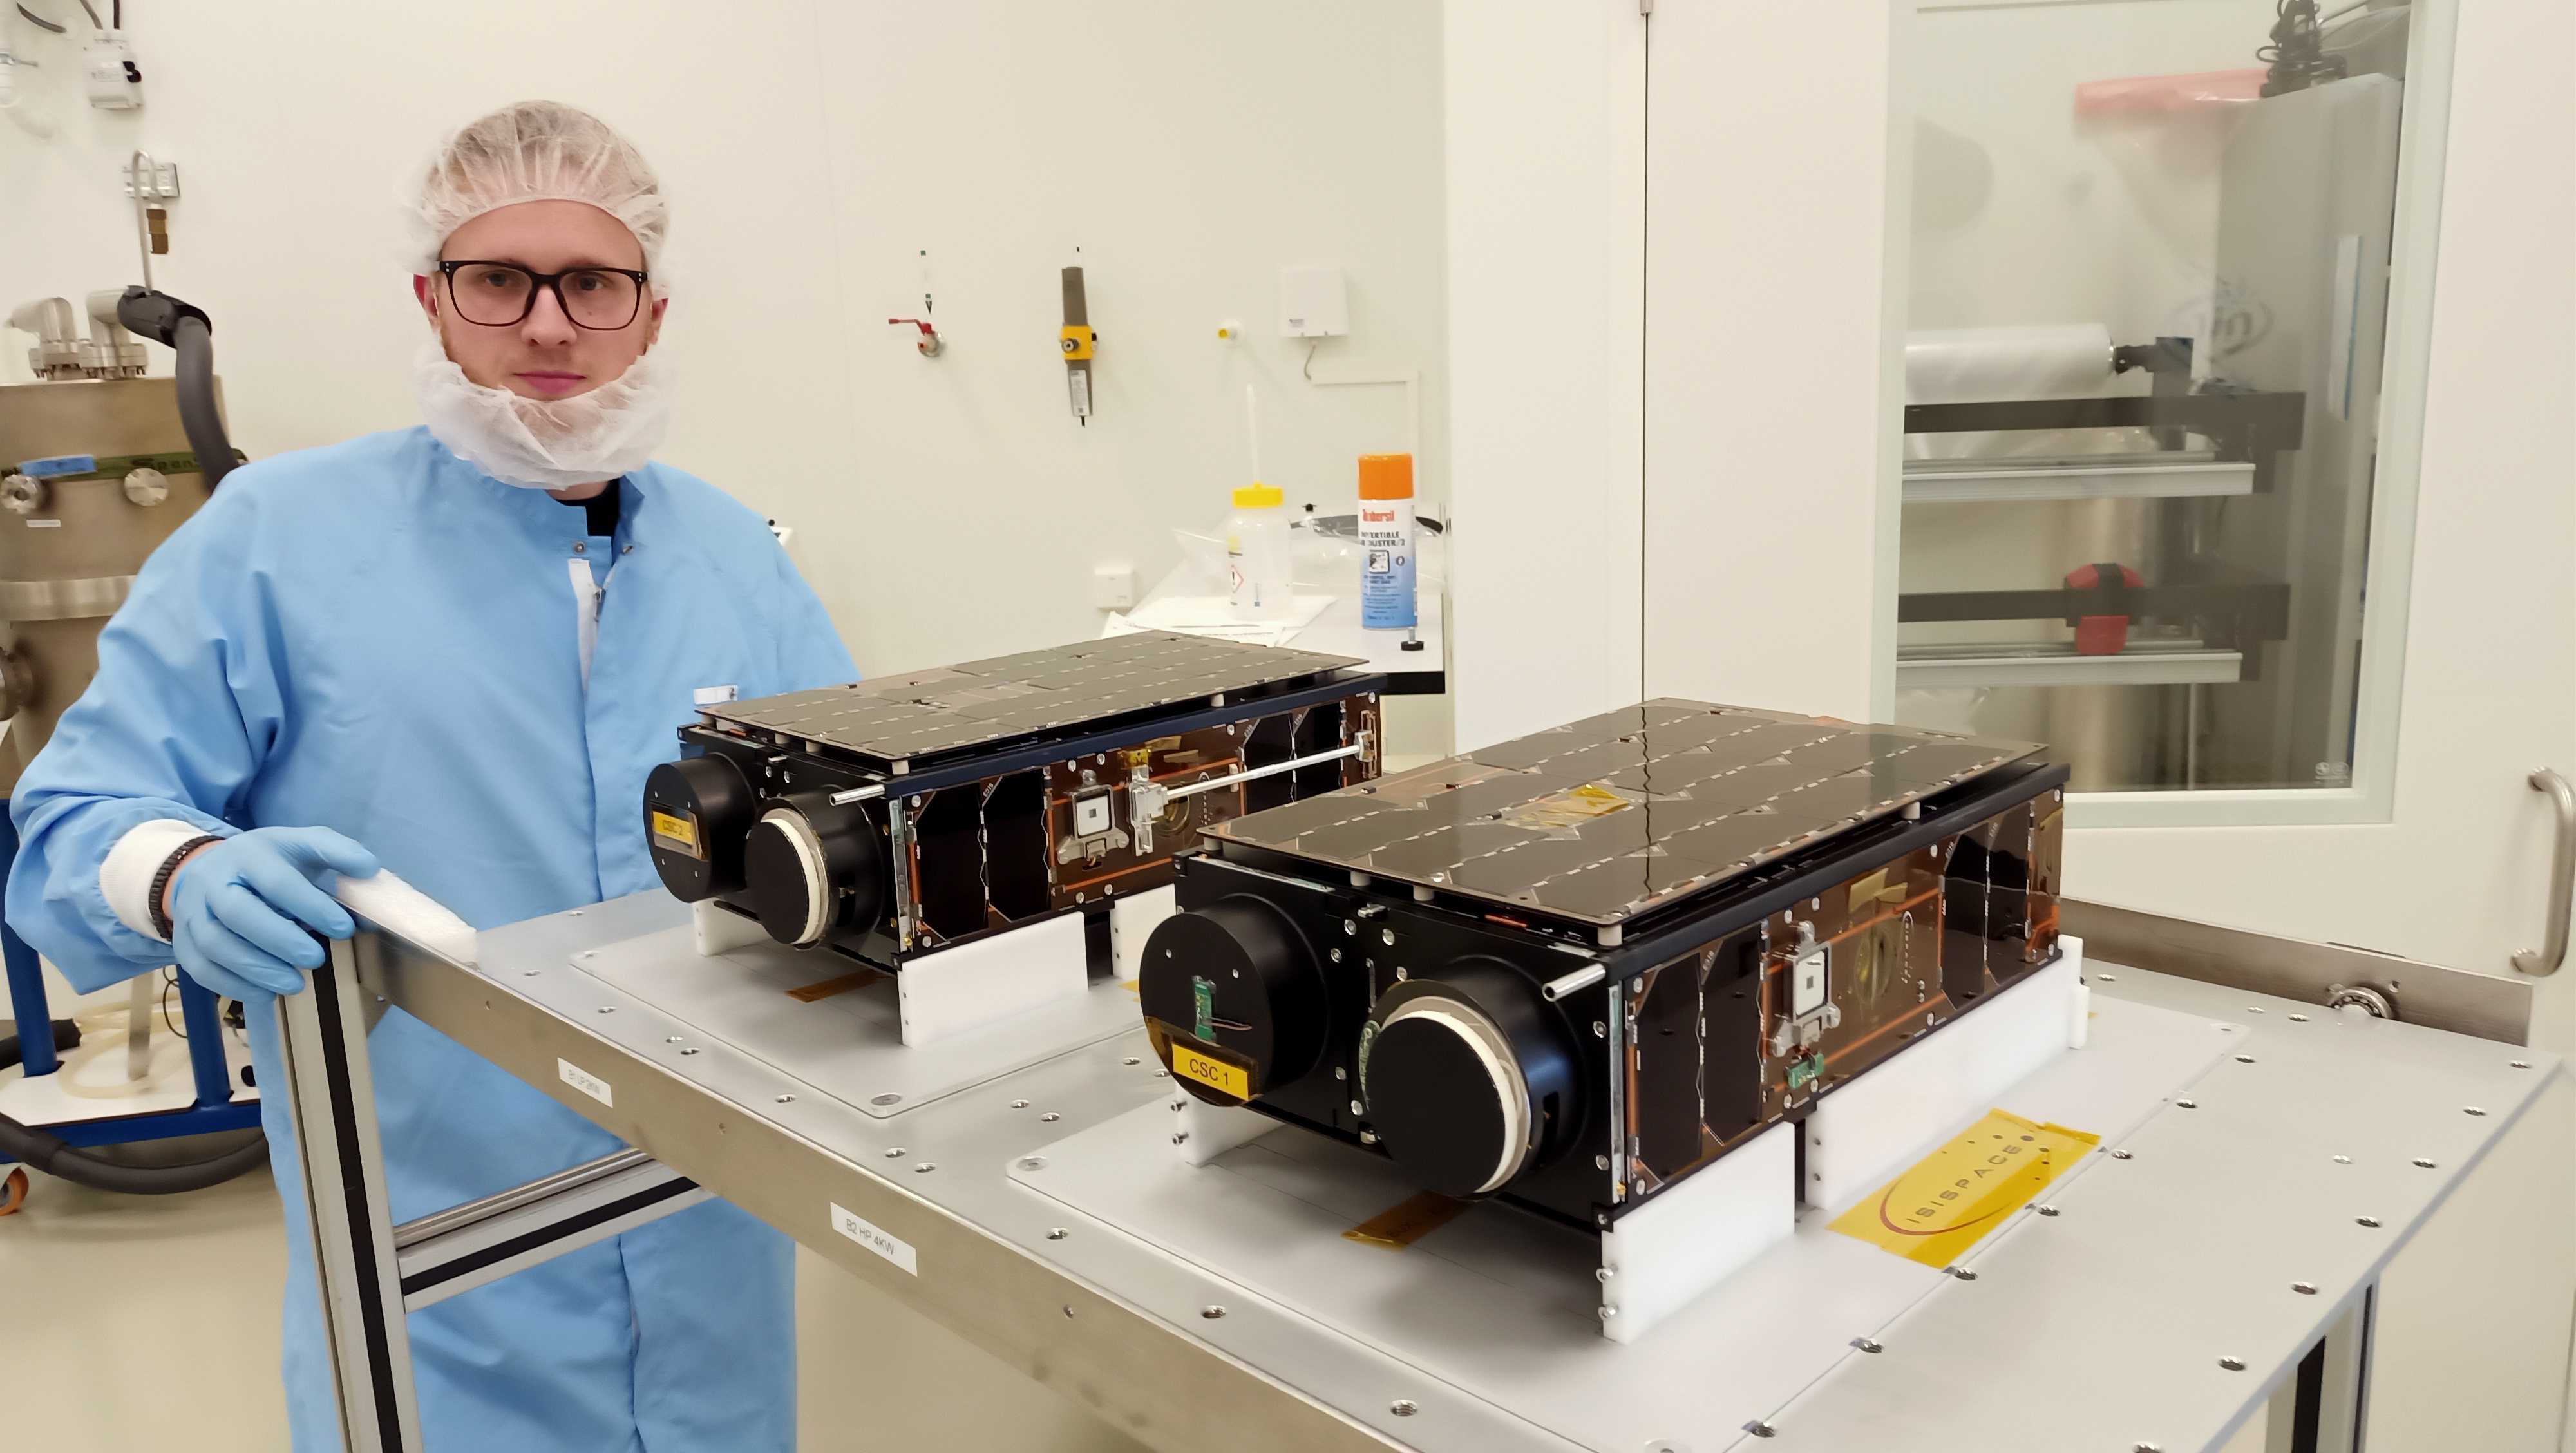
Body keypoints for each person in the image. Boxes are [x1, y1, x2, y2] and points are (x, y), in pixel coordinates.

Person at [6, 100, 851, 1450]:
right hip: (433, 1247)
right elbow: (71, 817)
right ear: (433, 299)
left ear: (651, 308)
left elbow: (847, 810)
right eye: (497, 279)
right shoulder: (277, 539)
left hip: (709, 1225)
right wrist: (182, 869)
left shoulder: (731, 552)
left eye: (592, 281)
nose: (548, 324)